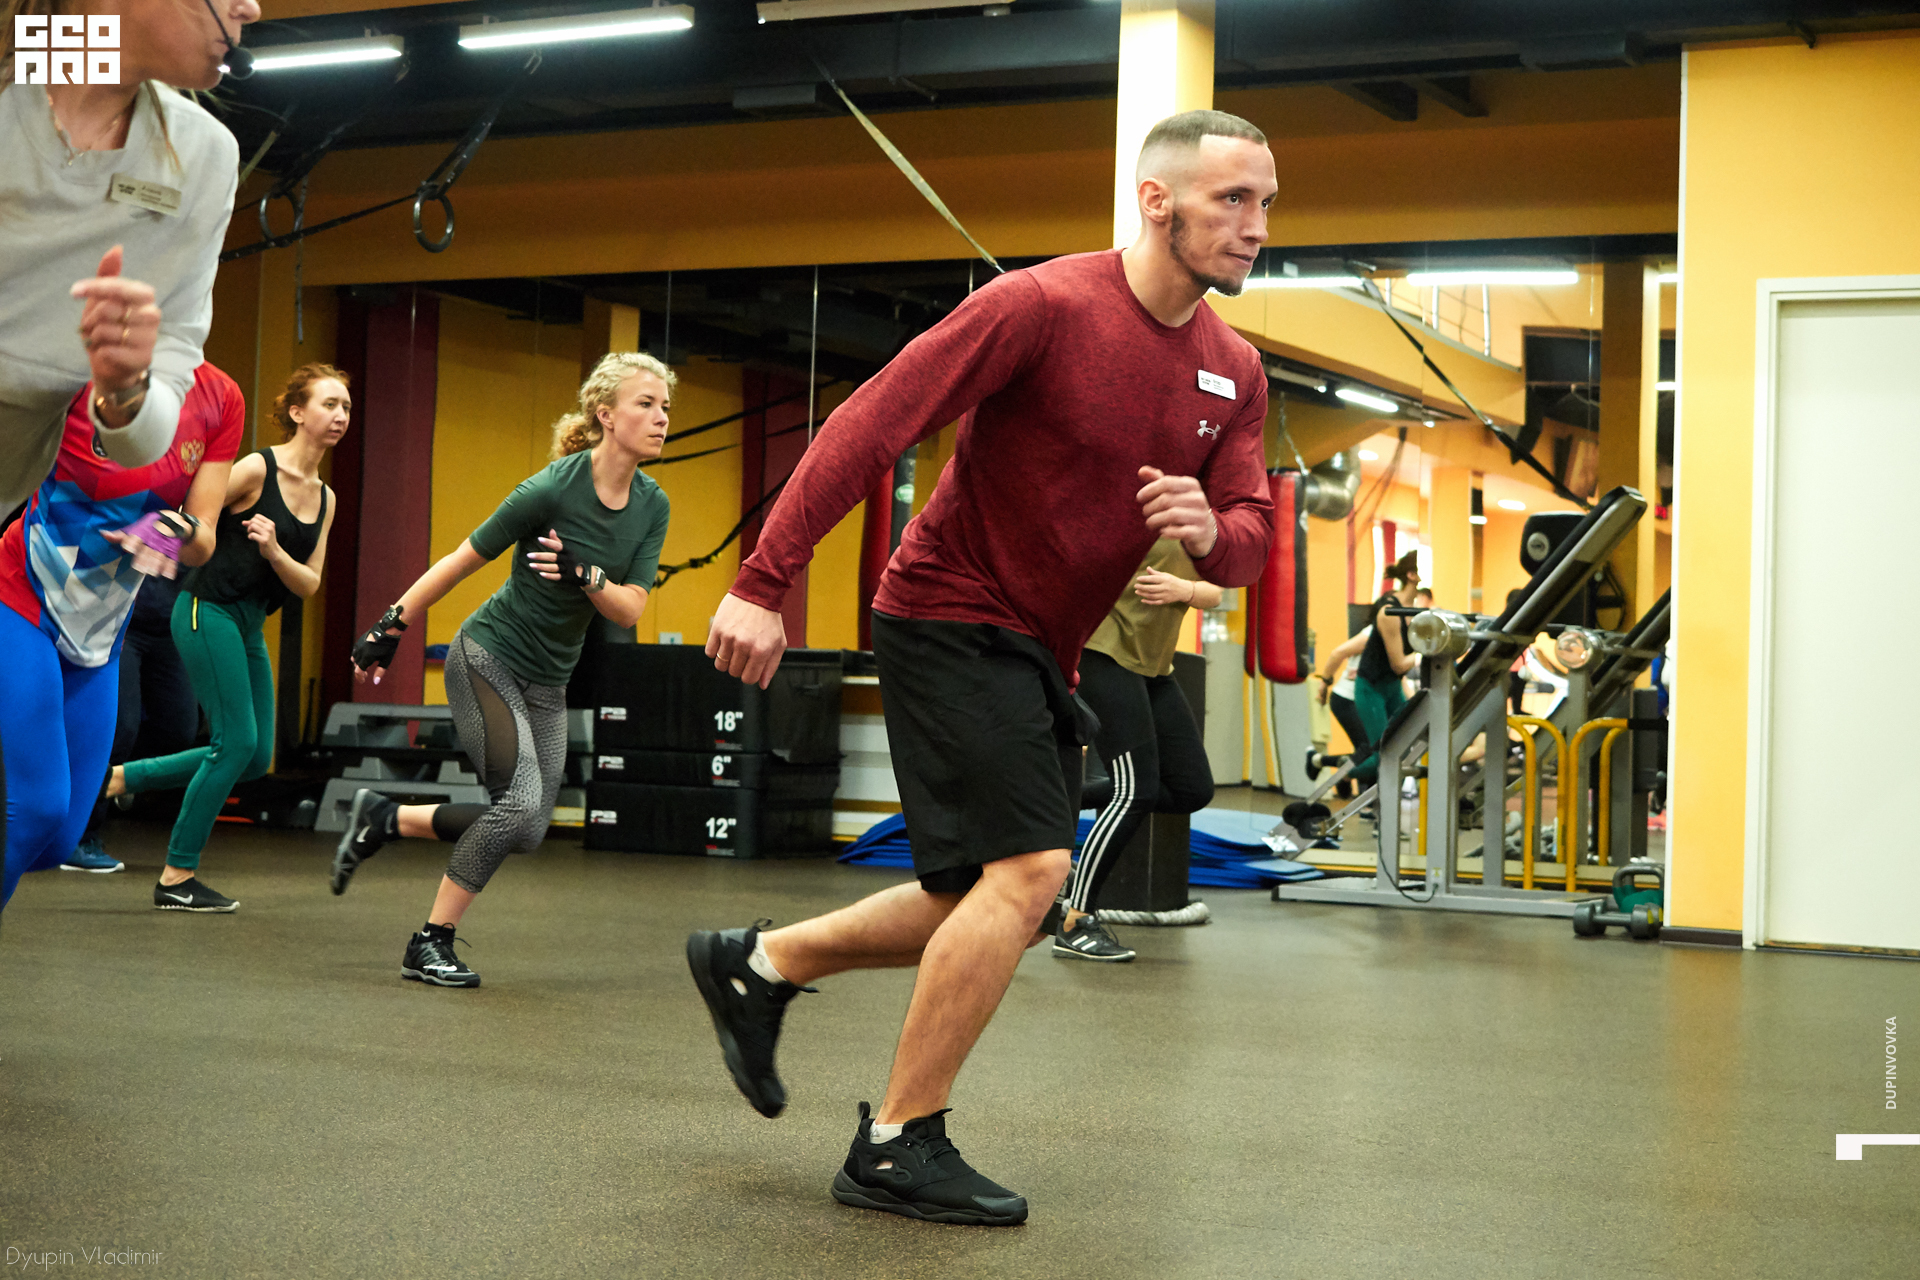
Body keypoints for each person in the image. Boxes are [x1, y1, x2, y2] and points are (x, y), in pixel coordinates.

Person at [688, 109, 1276, 1226]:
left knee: (987, 898)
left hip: (1041, 643)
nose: (1255, 227)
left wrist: (1211, 529)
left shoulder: (1232, 369)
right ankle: (897, 1140)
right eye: (1232, 200)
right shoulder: (1040, 305)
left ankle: (758, 962)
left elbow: (1249, 541)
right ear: (1156, 201)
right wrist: (763, 582)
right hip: (947, 608)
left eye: (1266, 204)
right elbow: (874, 422)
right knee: (1031, 872)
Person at [0, 0, 260, 905]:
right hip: (22, 579)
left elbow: (166, 375)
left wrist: (124, 387)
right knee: (34, 811)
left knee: (56, 831)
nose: (251, 8)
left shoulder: (201, 153)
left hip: (98, 611)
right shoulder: (19, 83)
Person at [331, 353, 672, 988]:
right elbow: (461, 559)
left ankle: (386, 817)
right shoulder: (550, 490)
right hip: (488, 657)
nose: (661, 418)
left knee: (531, 827)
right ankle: (429, 941)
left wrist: (584, 573)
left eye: (665, 407)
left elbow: (628, 607)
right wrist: (390, 624)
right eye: (646, 404)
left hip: (549, 680)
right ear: (605, 415)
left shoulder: (652, 506)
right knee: (515, 806)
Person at [0, 362, 241, 911]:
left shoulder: (220, 398)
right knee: (36, 810)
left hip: (101, 635)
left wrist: (173, 530)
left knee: (56, 841)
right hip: (21, 598)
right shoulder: (73, 373)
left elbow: (202, 538)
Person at [104, 364, 344, 912]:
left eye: (346, 407)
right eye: (329, 404)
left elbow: (308, 583)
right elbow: (194, 512)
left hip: (248, 623)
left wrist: (274, 551)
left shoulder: (325, 498)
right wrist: (147, 534)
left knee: (254, 757)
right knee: (233, 743)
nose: (340, 416)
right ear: (298, 412)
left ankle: (121, 778)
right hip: (204, 610)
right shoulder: (257, 469)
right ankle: (176, 877)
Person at [1055, 540, 1221, 962]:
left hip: (1154, 665)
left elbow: (1216, 592)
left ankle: (1059, 799)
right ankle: (1075, 921)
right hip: (1106, 654)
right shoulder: (1132, 514)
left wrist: (1184, 589)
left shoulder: (1202, 526)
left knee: (1191, 788)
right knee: (1136, 791)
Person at [1348, 551, 1422, 785]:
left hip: (1391, 686)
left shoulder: (1414, 611)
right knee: (1383, 755)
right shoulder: (1390, 611)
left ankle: (1386, 805)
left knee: (1404, 746)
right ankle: (1339, 772)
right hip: (1371, 688)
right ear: (1411, 575)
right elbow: (1399, 664)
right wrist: (1425, 653)